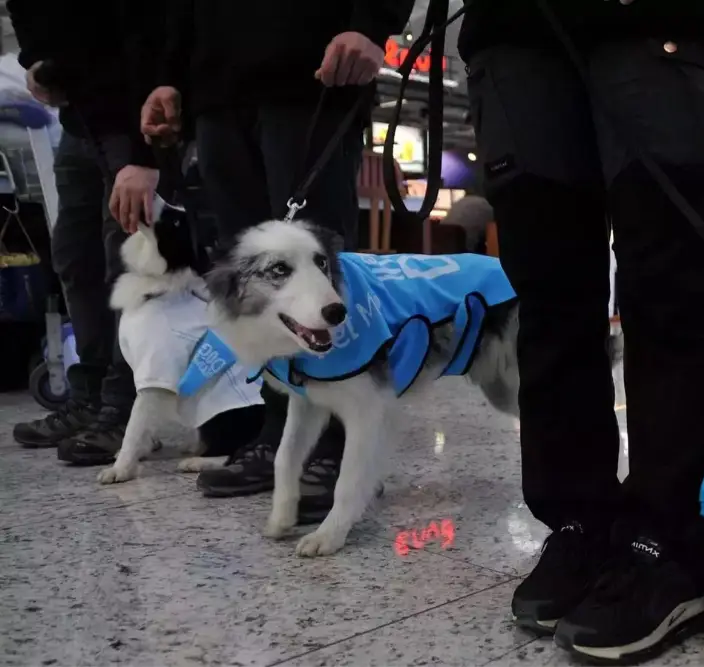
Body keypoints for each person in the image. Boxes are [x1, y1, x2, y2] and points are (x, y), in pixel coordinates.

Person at [460, 0, 704, 661]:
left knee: (668, 284)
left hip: (659, 22)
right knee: (549, 294)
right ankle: (578, 520)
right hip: (515, 31)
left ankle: (672, 541)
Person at [137, 0, 415, 522]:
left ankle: (339, 448)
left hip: (312, 70)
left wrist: (370, 21)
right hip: (217, 91)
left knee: (321, 268)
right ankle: (278, 431)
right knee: (256, 285)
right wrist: (170, 75)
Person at [8, 0, 163, 465]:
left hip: (132, 113)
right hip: (82, 118)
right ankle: (91, 395)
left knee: (126, 266)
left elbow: (151, 30)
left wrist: (143, 153)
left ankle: (125, 407)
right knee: (74, 258)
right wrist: (35, 61)